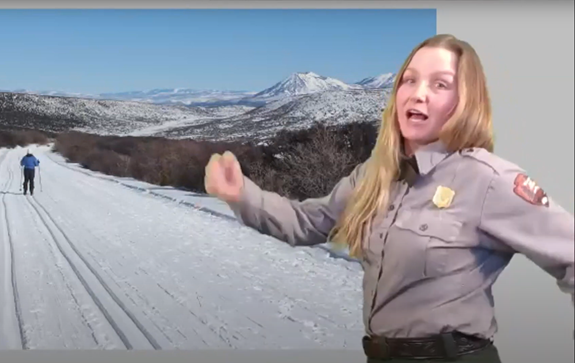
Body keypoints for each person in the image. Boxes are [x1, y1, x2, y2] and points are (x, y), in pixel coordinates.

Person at [203, 34, 574, 362]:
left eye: (440, 84)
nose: (418, 93)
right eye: (409, 80)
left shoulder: (489, 180)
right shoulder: (375, 174)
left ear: (466, 101)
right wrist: (240, 194)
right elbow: (307, 222)